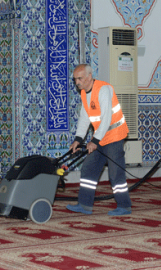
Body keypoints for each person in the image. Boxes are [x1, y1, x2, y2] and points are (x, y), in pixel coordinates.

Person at [66, 64, 132, 216]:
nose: (77, 82)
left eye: (80, 78)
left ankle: (124, 206)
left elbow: (106, 118)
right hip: (101, 137)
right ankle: (84, 205)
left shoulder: (103, 89)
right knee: (88, 168)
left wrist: (94, 141)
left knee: (115, 174)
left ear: (89, 77)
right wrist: (78, 139)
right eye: (75, 79)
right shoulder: (84, 93)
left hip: (114, 135)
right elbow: (84, 118)